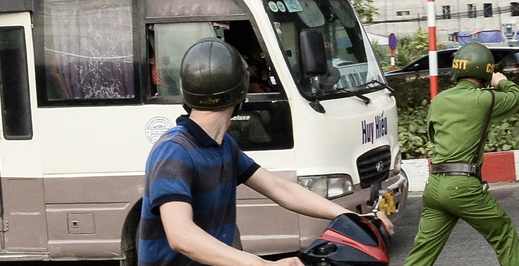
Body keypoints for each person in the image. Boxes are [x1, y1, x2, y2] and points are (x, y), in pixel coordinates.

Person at [138, 37, 392, 266]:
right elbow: (181, 236)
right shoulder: (174, 151)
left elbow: (279, 188)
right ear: (242, 91)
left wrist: (351, 217)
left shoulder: (223, 146)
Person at [403, 42, 519, 266]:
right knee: (503, 232)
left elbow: (434, 136)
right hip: (462, 187)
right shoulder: (484, 99)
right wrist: (501, 81)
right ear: (485, 70)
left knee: (423, 252)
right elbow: (516, 97)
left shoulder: (439, 100)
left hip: (434, 187)